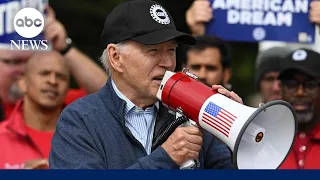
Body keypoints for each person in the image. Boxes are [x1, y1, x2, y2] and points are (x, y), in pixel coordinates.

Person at [49, 0, 243, 169]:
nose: (167, 62)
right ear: (116, 57)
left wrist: (236, 134)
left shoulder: (190, 112)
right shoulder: (79, 120)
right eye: (153, 51)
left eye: (171, 50)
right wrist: (166, 158)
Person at [0, 6, 108, 120]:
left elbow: (109, 96)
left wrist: (65, 48)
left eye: (34, 61)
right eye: (14, 62)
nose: (25, 70)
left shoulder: (58, 100)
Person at [0, 51, 70, 169]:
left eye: (60, 76)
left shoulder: (86, 138)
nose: (53, 81)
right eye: (44, 73)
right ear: (23, 83)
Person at [277, 48, 320, 169]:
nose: (300, 93)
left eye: (310, 85)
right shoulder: (262, 139)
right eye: (291, 84)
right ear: (280, 89)